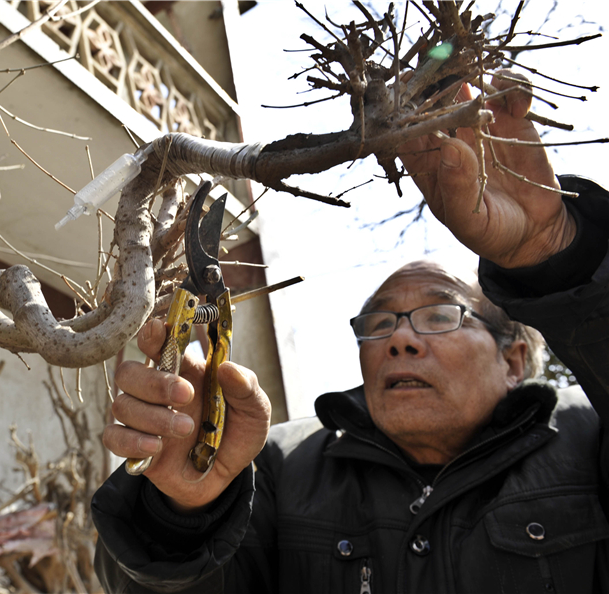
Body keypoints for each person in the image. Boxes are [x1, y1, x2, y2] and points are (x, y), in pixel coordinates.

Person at [91, 72, 609, 592]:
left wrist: (557, 252)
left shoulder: (590, 438)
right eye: (379, 323)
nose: (399, 341)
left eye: (439, 316)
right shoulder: (270, 467)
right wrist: (182, 511)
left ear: (514, 359)